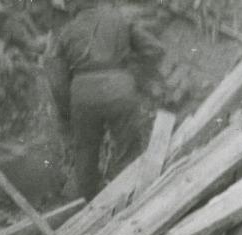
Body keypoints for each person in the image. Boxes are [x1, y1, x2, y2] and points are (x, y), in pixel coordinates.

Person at [49, 0, 164, 201]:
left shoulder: (66, 31)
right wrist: (135, 75)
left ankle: (89, 208)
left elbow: (58, 82)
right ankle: (129, 202)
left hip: (83, 93)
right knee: (127, 151)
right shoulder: (120, 19)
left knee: (85, 154)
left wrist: (67, 111)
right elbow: (154, 49)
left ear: (72, 6)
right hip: (119, 87)